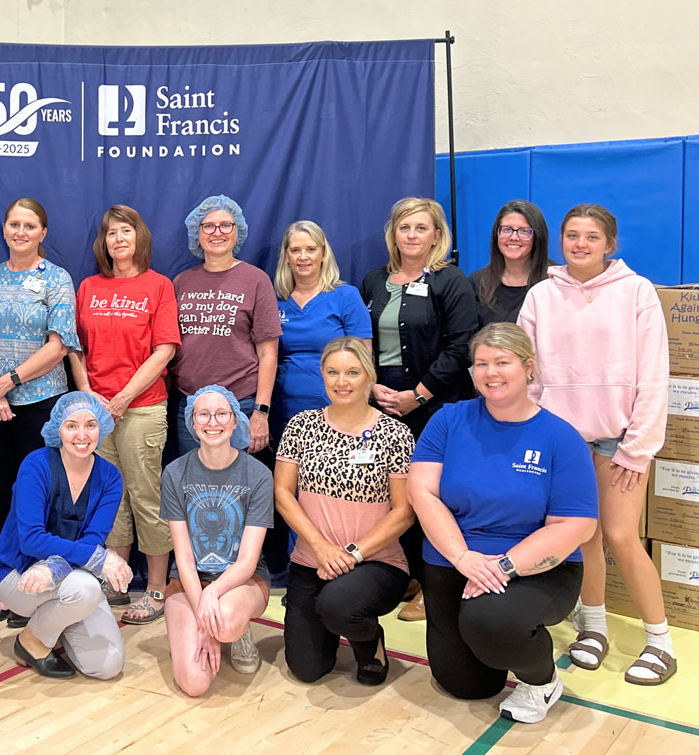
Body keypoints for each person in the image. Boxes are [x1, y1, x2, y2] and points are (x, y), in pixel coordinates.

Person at [408, 323, 598, 723]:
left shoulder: (560, 438)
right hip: (453, 561)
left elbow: (577, 525)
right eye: (481, 364)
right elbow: (422, 493)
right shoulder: (448, 420)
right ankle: (497, 642)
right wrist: (462, 557)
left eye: (502, 362)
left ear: (528, 367)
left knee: (491, 621)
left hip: (536, 567)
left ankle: (541, 680)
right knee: (467, 686)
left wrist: (504, 565)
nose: (491, 373)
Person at [519, 204, 675, 686]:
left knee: (623, 538)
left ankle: (660, 641)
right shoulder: (541, 296)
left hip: (618, 439)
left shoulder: (636, 292)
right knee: (584, 538)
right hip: (563, 442)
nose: (580, 244)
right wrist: (538, 436)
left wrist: (637, 446)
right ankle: (595, 626)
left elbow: (653, 375)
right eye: (571, 235)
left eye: (591, 236)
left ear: (609, 244)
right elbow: (528, 373)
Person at [0, 197, 79, 627]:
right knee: (3, 493)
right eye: (14, 224)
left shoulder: (56, 279)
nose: (21, 232)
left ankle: (41, 584)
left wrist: (8, 382)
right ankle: (9, 588)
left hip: (41, 406)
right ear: (5, 229)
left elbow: (59, 344)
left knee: (42, 497)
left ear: (43, 232)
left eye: (30, 225)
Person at [360, 197, 478, 620]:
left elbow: (462, 345)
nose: (411, 235)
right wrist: (371, 387)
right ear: (393, 234)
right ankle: (407, 572)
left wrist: (420, 395)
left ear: (436, 236)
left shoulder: (451, 281)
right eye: (404, 227)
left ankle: (436, 585)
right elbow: (362, 341)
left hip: (436, 404)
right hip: (382, 402)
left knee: (433, 495)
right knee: (394, 494)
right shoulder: (374, 280)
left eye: (421, 228)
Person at [274, 337, 414, 686]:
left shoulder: (395, 434)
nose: (342, 382)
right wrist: (321, 547)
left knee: (339, 606)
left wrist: (353, 554)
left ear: (369, 376)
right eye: (333, 372)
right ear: (322, 375)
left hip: (375, 562)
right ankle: (334, 620)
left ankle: (369, 642)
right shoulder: (301, 426)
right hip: (313, 561)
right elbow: (282, 493)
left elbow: (405, 512)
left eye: (352, 372)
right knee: (306, 669)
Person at [67, 205, 179, 623]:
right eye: (111, 232)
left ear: (139, 238)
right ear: (104, 242)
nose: (118, 239)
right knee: (107, 501)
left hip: (142, 408)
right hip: (97, 410)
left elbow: (165, 349)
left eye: (126, 231)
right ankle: (116, 582)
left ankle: (154, 588)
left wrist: (123, 398)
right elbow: (75, 348)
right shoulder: (89, 287)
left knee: (145, 497)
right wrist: (89, 397)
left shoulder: (158, 286)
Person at [0, 393, 131, 679]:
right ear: (58, 429)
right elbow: (31, 540)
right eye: (71, 426)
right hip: (19, 574)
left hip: (72, 575)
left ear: (101, 428)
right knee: (87, 590)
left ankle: (59, 623)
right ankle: (32, 641)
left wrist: (54, 567)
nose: (82, 435)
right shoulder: (36, 465)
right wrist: (99, 559)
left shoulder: (110, 477)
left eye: (90, 425)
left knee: (107, 666)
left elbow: (92, 541)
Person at [161, 385, 274, 697]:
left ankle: (234, 630)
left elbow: (248, 561)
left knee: (223, 621)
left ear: (235, 420)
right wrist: (202, 611)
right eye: (204, 414)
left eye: (222, 413)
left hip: (241, 580)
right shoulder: (174, 473)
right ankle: (209, 627)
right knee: (195, 684)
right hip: (188, 582)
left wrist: (214, 600)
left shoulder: (259, 475)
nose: (213, 421)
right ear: (193, 423)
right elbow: (183, 557)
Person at [172, 196, 280, 457]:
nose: (217, 232)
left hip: (240, 404)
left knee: (237, 490)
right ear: (197, 233)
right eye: (208, 226)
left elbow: (268, 353)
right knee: (195, 490)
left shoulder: (256, 280)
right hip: (190, 405)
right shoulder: (181, 282)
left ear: (237, 230)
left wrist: (261, 412)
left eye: (225, 225)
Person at [271, 220, 371, 439]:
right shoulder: (275, 301)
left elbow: (364, 360)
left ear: (323, 254)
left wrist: (360, 414)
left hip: (339, 413)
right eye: (295, 250)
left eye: (311, 249)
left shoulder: (346, 296)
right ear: (286, 257)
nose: (303, 257)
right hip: (285, 414)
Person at [469, 201, 551, 325]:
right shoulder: (477, 282)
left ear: (537, 238)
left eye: (524, 231)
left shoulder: (554, 281)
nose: (513, 237)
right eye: (507, 229)